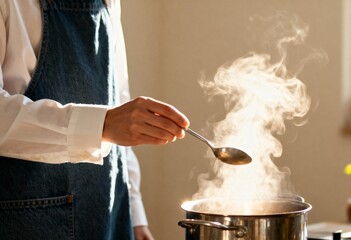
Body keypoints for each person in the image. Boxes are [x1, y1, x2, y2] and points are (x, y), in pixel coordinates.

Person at [0, 0, 189, 240]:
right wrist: (103, 125)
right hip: (29, 222)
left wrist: (133, 212)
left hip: (112, 215)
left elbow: (118, 99)